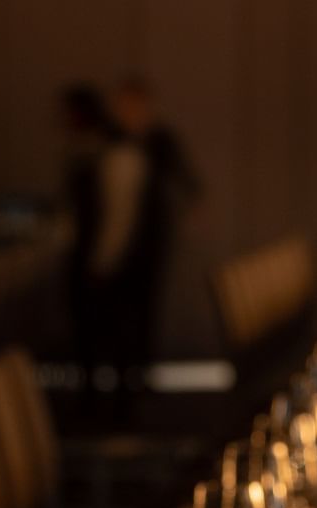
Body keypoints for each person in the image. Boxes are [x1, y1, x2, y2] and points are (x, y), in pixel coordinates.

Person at [59, 83, 147, 409]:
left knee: (109, 335)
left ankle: (113, 408)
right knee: (92, 337)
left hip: (104, 260)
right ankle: (100, 403)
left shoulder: (114, 153)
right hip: (93, 257)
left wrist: (103, 261)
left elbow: (118, 214)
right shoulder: (93, 151)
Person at [109, 75, 202, 372]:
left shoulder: (160, 140)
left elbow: (189, 182)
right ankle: (121, 372)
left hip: (150, 237)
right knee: (116, 311)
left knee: (144, 308)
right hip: (116, 237)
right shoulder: (112, 139)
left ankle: (140, 372)